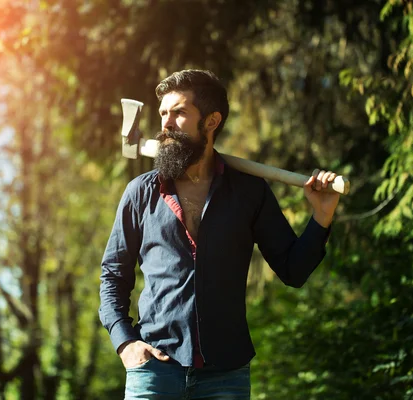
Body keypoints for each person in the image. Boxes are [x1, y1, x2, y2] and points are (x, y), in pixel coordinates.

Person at [99, 69, 340, 399]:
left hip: (226, 376)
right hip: (154, 368)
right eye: (163, 114)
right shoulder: (140, 193)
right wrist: (125, 342)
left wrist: (321, 217)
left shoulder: (249, 192)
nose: (166, 124)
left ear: (211, 122)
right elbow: (112, 275)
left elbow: (293, 270)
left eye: (179, 113)